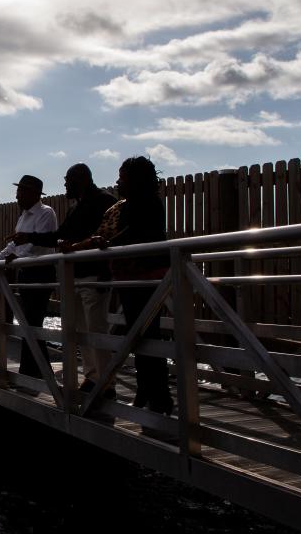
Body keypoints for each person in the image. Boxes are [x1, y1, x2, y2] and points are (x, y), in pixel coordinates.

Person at [70, 156, 172, 414]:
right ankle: (145, 390)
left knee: (148, 334)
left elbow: (138, 233)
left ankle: (159, 397)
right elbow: (113, 233)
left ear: (136, 180)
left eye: (123, 177)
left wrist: (110, 244)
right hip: (128, 276)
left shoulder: (149, 203)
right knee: (137, 336)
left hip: (146, 277)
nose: (118, 181)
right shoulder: (125, 206)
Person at [11, 163, 117, 398]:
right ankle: (92, 377)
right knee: (80, 329)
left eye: (68, 180)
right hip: (75, 275)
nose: (65, 184)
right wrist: (30, 237)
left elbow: (109, 236)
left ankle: (107, 383)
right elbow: (60, 236)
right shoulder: (75, 207)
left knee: (97, 328)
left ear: (81, 179)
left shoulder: (103, 201)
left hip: (94, 275)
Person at [0, 175, 57, 380]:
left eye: (21, 191)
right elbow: (14, 245)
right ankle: (33, 371)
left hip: (41, 272)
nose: (17, 195)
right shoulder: (23, 216)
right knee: (27, 321)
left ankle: (36, 372)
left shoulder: (46, 213)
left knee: (33, 321)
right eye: (17, 191)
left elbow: (37, 244)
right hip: (25, 273)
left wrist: (17, 257)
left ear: (33, 194)